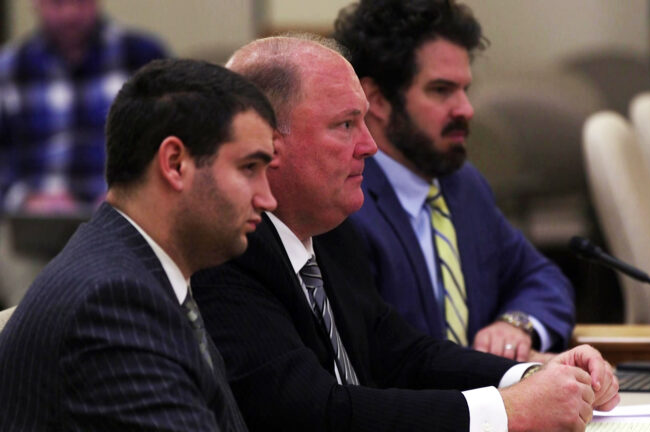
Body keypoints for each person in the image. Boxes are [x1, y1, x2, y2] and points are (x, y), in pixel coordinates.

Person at [193, 35, 618, 432]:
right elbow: (312, 413)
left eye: (363, 122)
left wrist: (531, 375)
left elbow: (401, 353)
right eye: (345, 125)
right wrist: (509, 410)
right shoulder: (227, 252)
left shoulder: (329, 231)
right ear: (267, 141)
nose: (369, 145)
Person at [0, 58, 277, 431]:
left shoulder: (136, 271)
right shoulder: (113, 302)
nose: (267, 198)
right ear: (175, 163)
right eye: (249, 168)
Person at [333, 0, 574, 361]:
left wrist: (515, 325)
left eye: (465, 89)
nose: (465, 109)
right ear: (377, 101)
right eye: (441, 90)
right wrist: (510, 376)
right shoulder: (348, 206)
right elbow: (388, 366)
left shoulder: (461, 184)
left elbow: (542, 277)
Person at [0, 0, 167, 213]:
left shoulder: (142, 56)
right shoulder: (9, 67)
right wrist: (25, 199)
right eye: (57, 3)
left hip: (127, 214)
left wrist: (130, 192)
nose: (71, 13)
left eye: (81, 1)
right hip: (36, 222)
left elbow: (170, 145)